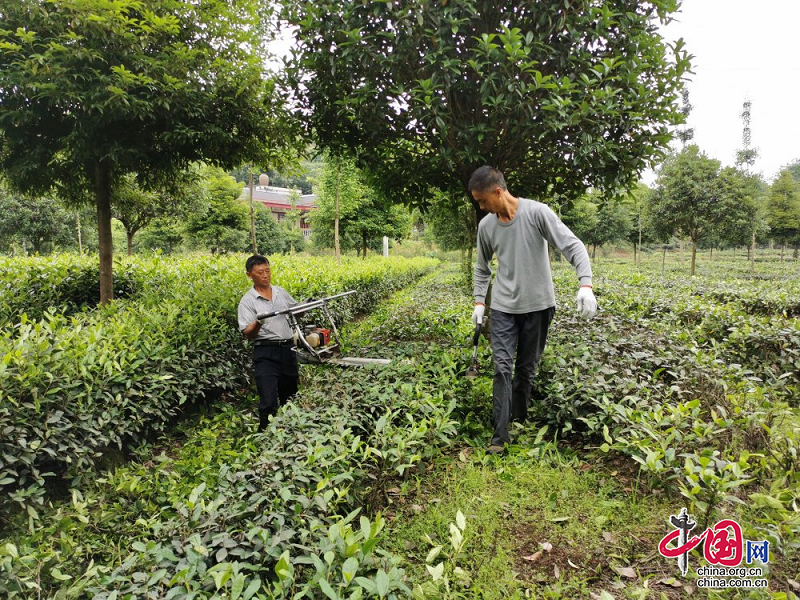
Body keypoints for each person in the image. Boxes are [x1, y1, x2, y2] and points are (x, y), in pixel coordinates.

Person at [470, 166, 597, 455]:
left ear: (498, 192)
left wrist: (585, 283)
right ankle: (499, 437)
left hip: (539, 306)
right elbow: (482, 267)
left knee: (526, 369)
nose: (480, 206)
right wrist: (480, 301)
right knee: (502, 368)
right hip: (502, 307)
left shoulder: (538, 213)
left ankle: (520, 416)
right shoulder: (486, 226)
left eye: (482, 200)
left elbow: (572, 245)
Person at [238, 255, 299, 431]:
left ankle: (291, 435)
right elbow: (247, 333)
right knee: (268, 400)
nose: (265, 275)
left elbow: (295, 311)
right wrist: (259, 321)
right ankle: (265, 439)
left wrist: (305, 306)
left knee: (291, 396)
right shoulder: (248, 301)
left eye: (267, 270)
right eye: (260, 272)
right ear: (250, 275)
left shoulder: (281, 293)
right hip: (265, 353)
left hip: (287, 349)